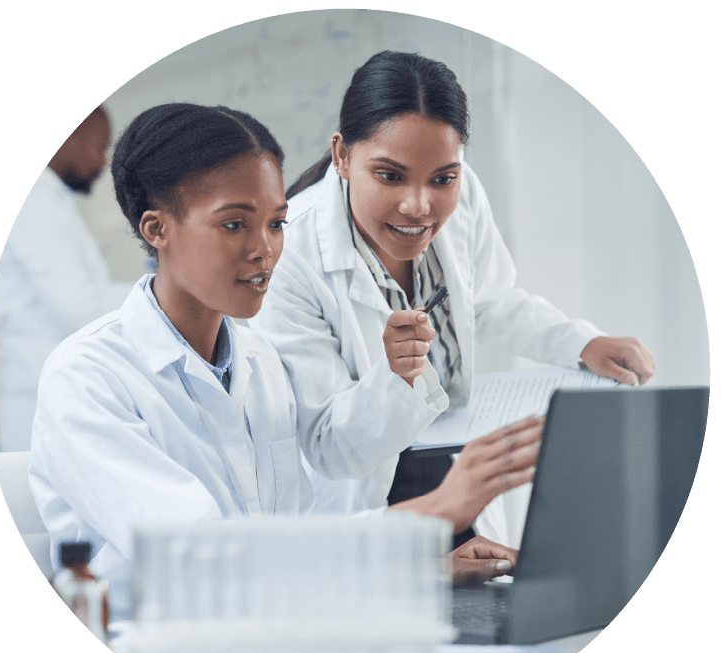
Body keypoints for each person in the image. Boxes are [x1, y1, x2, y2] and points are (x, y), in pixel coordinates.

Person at [29, 103, 542, 621]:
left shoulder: (258, 363)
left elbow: (292, 543)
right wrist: (433, 512)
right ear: (157, 229)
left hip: (264, 638)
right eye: (235, 224)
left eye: (277, 224)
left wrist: (419, 571)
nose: (265, 250)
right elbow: (203, 557)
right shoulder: (88, 377)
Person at [249, 51, 656, 546]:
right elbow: (329, 447)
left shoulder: (464, 195)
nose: (420, 205)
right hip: (364, 503)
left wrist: (580, 343)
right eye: (390, 176)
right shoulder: (289, 253)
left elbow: (490, 300)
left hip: (449, 465)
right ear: (342, 155)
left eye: (443, 178)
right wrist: (396, 377)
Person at [0, 106, 132, 451]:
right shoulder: (32, 201)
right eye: (99, 147)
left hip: (56, 394)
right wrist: (165, 294)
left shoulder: (50, 200)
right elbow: (79, 308)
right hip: (43, 402)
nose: (103, 162)